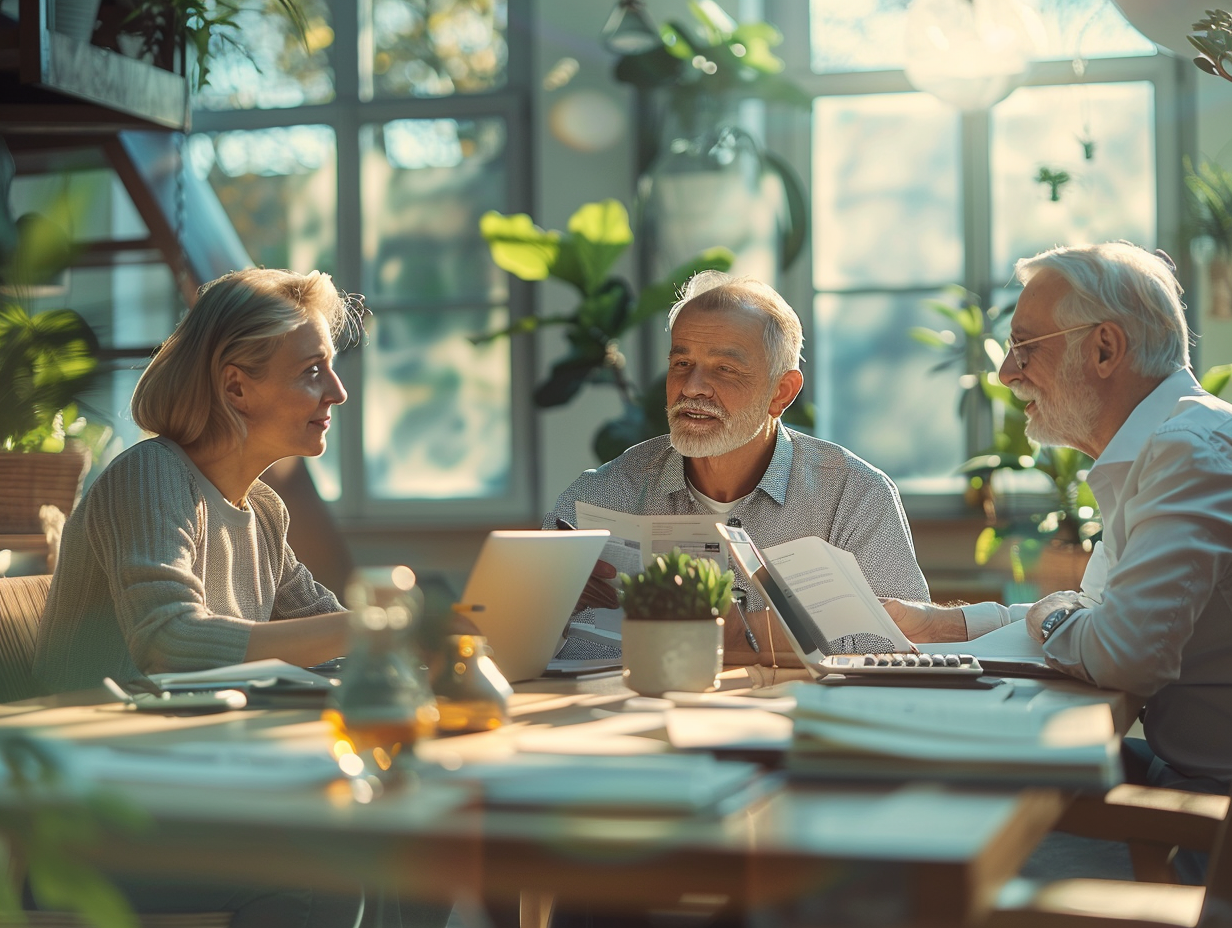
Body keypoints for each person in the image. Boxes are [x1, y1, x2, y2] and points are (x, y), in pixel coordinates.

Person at [884, 242, 1232, 844]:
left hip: (1207, 826)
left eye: (1025, 346)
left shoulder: (1188, 453)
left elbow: (1122, 650)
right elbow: (1096, 618)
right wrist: (945, 625)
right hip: (1183, 787)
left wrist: (1053, 614)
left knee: (932, 823)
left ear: (1104, 348)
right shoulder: (1165, 446)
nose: (1005, 373)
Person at [544, 270, 930, 664]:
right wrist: (549, 612)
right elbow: (519, 645)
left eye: (724, 369)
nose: (692, 386)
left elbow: (902, 648)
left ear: (781, 392)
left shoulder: (854, 495)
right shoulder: (598, 497)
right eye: (681, 362)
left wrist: (737, 632)